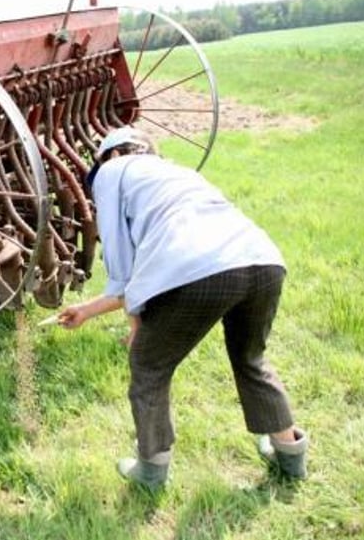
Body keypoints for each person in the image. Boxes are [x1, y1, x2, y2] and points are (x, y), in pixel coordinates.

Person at [57, 125, 307, 490]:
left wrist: (137, 329)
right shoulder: (176, 172)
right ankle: (290, 458)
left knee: (148, 365)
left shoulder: (112, 171)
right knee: (250, 359)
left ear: (111, 154)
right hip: (263, 260)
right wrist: (88, 310)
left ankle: (151, 471)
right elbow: (155, 268)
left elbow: (123, 264)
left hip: (200, 270)